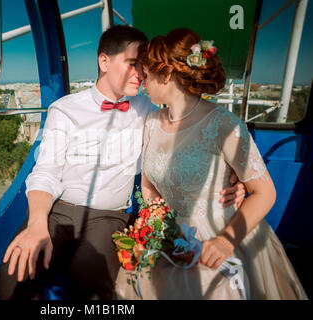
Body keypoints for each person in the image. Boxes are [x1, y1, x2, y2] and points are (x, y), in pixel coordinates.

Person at [0, 25, 246, 300]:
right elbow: (45, 171)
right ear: (104, 61)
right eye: (132, 64)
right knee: (13, 271)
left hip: (109, 215)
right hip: (59, 210)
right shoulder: (65, 109)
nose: (141, 73)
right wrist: (37, 225)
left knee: (92, 273)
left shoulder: (149, 111)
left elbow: (190, 134)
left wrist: (232, 177)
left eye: (143, 66)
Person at [115, 28, 308, 300]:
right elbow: (149, 189)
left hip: (218, 234)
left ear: (167, 75)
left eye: (146, 74)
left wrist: (225, 241)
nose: (143, 81)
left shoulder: (224, 124)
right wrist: (153, 229)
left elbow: (265, 193)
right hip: (167, 238)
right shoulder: (152, 123)